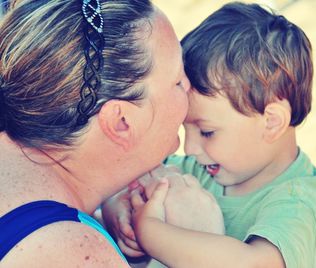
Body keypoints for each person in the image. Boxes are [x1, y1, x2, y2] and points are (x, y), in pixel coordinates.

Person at [103, 2, 316, 268]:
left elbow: (256, 264)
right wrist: (119, 211)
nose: (189, 148)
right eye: (183, 127)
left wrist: (151, 233)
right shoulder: (197, 168)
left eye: (207, 132)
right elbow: (119, 185)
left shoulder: (296, 202)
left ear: (271, 122)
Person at [0, 0, 224, 266]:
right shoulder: (72, 253)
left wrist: (107, 207)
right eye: (177, 81)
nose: (189, 87)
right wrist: (201, 245)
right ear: (121, 122)